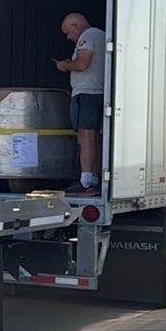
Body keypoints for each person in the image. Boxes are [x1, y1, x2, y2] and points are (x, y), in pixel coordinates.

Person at [55, 13, 107, 195]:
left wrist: (65, 66)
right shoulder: (101, 35)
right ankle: (93, 179)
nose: (69, 38)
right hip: (97, 93)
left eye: (68, 32)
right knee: (94, 137)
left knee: (85, 137)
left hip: (87, 93)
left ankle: (85, 181)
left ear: (76, 25)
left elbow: (82, 63)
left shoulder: (88, 36)